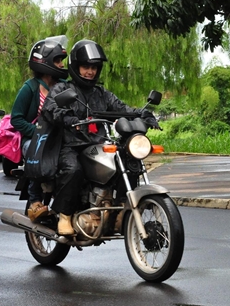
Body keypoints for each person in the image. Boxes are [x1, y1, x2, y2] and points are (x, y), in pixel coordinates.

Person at [41, 39, 160, 235]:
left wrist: (143, 114)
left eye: (94, 67)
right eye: (86, 66)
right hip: (72, 145)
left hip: (97, 143)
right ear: (75, 66)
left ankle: (121, 212)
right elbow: (50, 108)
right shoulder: (63, 90)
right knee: (74, 170)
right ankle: (64, 215)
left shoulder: (101, 93)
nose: (90, 71)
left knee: (128, 162)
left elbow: (123, 109)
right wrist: (67, 117)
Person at [10, 35, 68, 221]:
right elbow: (16, 119)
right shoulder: (30, 88)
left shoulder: (63, 86)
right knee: (39, 154)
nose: (61, 64)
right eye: (57, 60)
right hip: (34, 141)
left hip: (59, 140)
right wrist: (36, 134)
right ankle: (35, 201)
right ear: (45, 62)